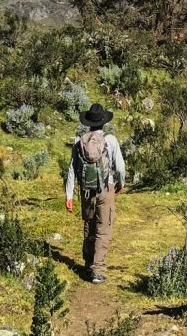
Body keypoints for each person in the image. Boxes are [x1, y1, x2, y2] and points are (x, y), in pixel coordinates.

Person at [65, 103, 125, 284]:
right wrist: (120, 184)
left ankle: (88, 263)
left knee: (89, 225)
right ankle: (98, 271)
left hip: (85, 191)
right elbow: (120, 167)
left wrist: (69, 195)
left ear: (88, 123)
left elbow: (72, 170)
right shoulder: (111, 140)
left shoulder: (79, 142)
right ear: (103, 122)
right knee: (103, 229)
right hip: (105, 189)